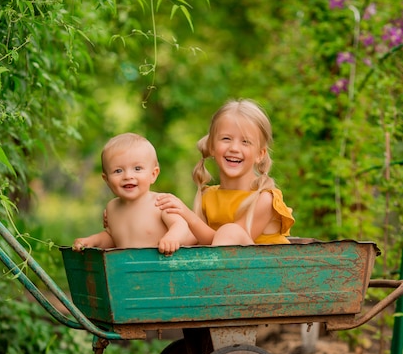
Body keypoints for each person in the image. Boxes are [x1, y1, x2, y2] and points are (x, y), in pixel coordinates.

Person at [156, 98, 294, 246]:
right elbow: (195, 238)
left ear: (260, 154)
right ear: (212, 147)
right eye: (226, 138)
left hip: (264, 268)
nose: (234, 148)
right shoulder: (208, 196)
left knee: (230, 231)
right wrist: (172, 233)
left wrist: (189, 216)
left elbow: (229, 244)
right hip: (224, 267)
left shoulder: (264, 199)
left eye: (245, 142)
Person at [73, 133, 196, 254]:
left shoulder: (160, 202)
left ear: (153, 174)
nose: (128, 176)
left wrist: (172, 238)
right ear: (107, 179)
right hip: (131, 269)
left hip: (164, 266)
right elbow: (112, 238)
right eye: (118, 171)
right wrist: (92, 241)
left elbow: (181, 225)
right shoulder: (112, 207)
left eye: (137, 168)